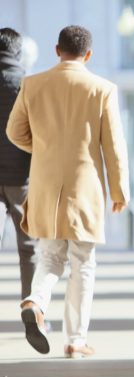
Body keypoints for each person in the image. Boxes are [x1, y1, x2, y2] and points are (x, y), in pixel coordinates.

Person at [6, 25, 130, 358]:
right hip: (84, 187)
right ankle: (75, 340)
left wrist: (44, 149)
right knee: (83, 263)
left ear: (56, 49)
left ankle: (36, 301)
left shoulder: (32, 84)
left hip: (45, 185)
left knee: (49, 256)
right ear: (88, 54)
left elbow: (14, 132)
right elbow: (113, 146)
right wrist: (120, 190)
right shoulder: (102, 89)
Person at [0, 28, 37, 301]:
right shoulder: (30, 86)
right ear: (18, 52)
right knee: (28, 247)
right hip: (20, 177)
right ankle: (31, 308)